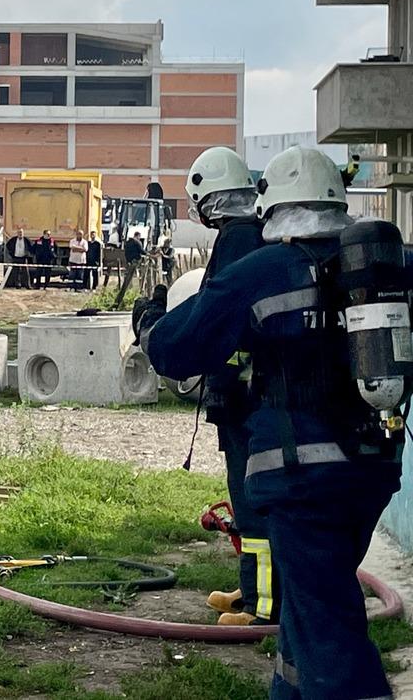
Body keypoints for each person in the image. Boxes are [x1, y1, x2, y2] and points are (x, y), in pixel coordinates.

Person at [136, 147, 403, 699]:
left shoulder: (262, 272)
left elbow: (176, 350)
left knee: (330, 624)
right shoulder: (384, 272)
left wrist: (149, 321)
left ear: (272, 205)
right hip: (376, 469)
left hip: (300, 478)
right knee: (310, 604)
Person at [182, 146, 272, 627]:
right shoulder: (248, 234)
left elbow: (218, 319)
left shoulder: (238, 238)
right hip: (244, 394)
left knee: (254, 502)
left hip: (244, 396)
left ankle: (263, 608)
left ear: (207, 193)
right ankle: (252, 589)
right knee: (245, 498)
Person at [114, 231, 145, 307]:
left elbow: (126, 252)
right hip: (136, 260)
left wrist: (128, 260)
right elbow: (141, 251)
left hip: (129, 261)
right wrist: (148, 254)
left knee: (128, 276)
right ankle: (136, 288)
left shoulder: (128, 242)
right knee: (136, 275)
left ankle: (129, 288)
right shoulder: (137, 242)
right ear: (138, 236)